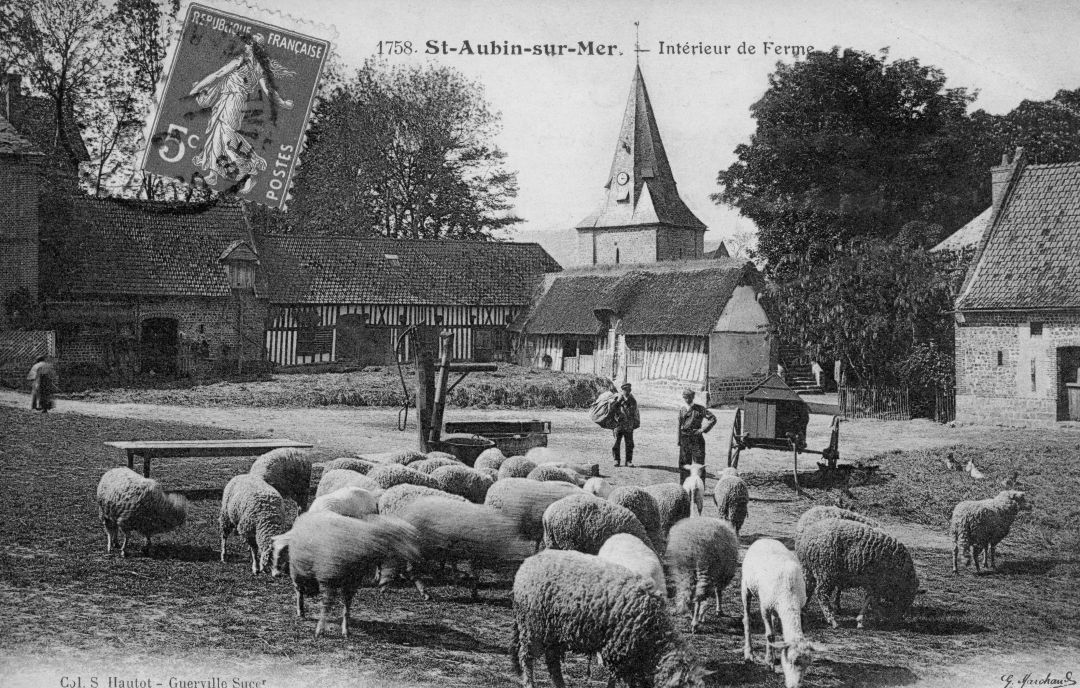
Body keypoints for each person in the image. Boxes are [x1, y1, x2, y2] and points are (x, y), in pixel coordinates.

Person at [188, 33, 295, 194]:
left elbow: (218, 74)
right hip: (228, 98)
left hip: (233, 100)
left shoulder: (242, 61)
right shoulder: (259, 68)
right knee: (217, 132)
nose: (244, 46)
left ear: (253, 47)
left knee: (226, 135)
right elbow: (269, 90)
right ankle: (213, 173)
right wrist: (282, 103)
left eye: (248, 44)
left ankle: (252, 169)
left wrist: (196, 88)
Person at [677, 388, 715, 483]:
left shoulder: (700, 409)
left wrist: (702, 430)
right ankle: (684, 487)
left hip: (697, 439)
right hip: (685, 439)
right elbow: (679, 425)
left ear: (693, 397)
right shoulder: (682, 409)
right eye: (685, 398)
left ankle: (700, 487)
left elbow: (712, 419)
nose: (687, 400)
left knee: (699, 465)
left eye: (689, 397)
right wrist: (679, 440)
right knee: (684, 464)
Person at [611, 382, 640, 467]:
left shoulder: (633, 400)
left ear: (630, 390)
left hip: (628, 425)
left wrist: (635, 423)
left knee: (629, 443)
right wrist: (618, 402)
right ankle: (616, 460)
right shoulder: (618, 399)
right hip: (618, 424)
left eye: (628, 390)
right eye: (625, 390)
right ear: (622, 390)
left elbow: (635, 412)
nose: (626, 392)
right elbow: (612, 409)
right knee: (616, 443)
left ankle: (628, 461)